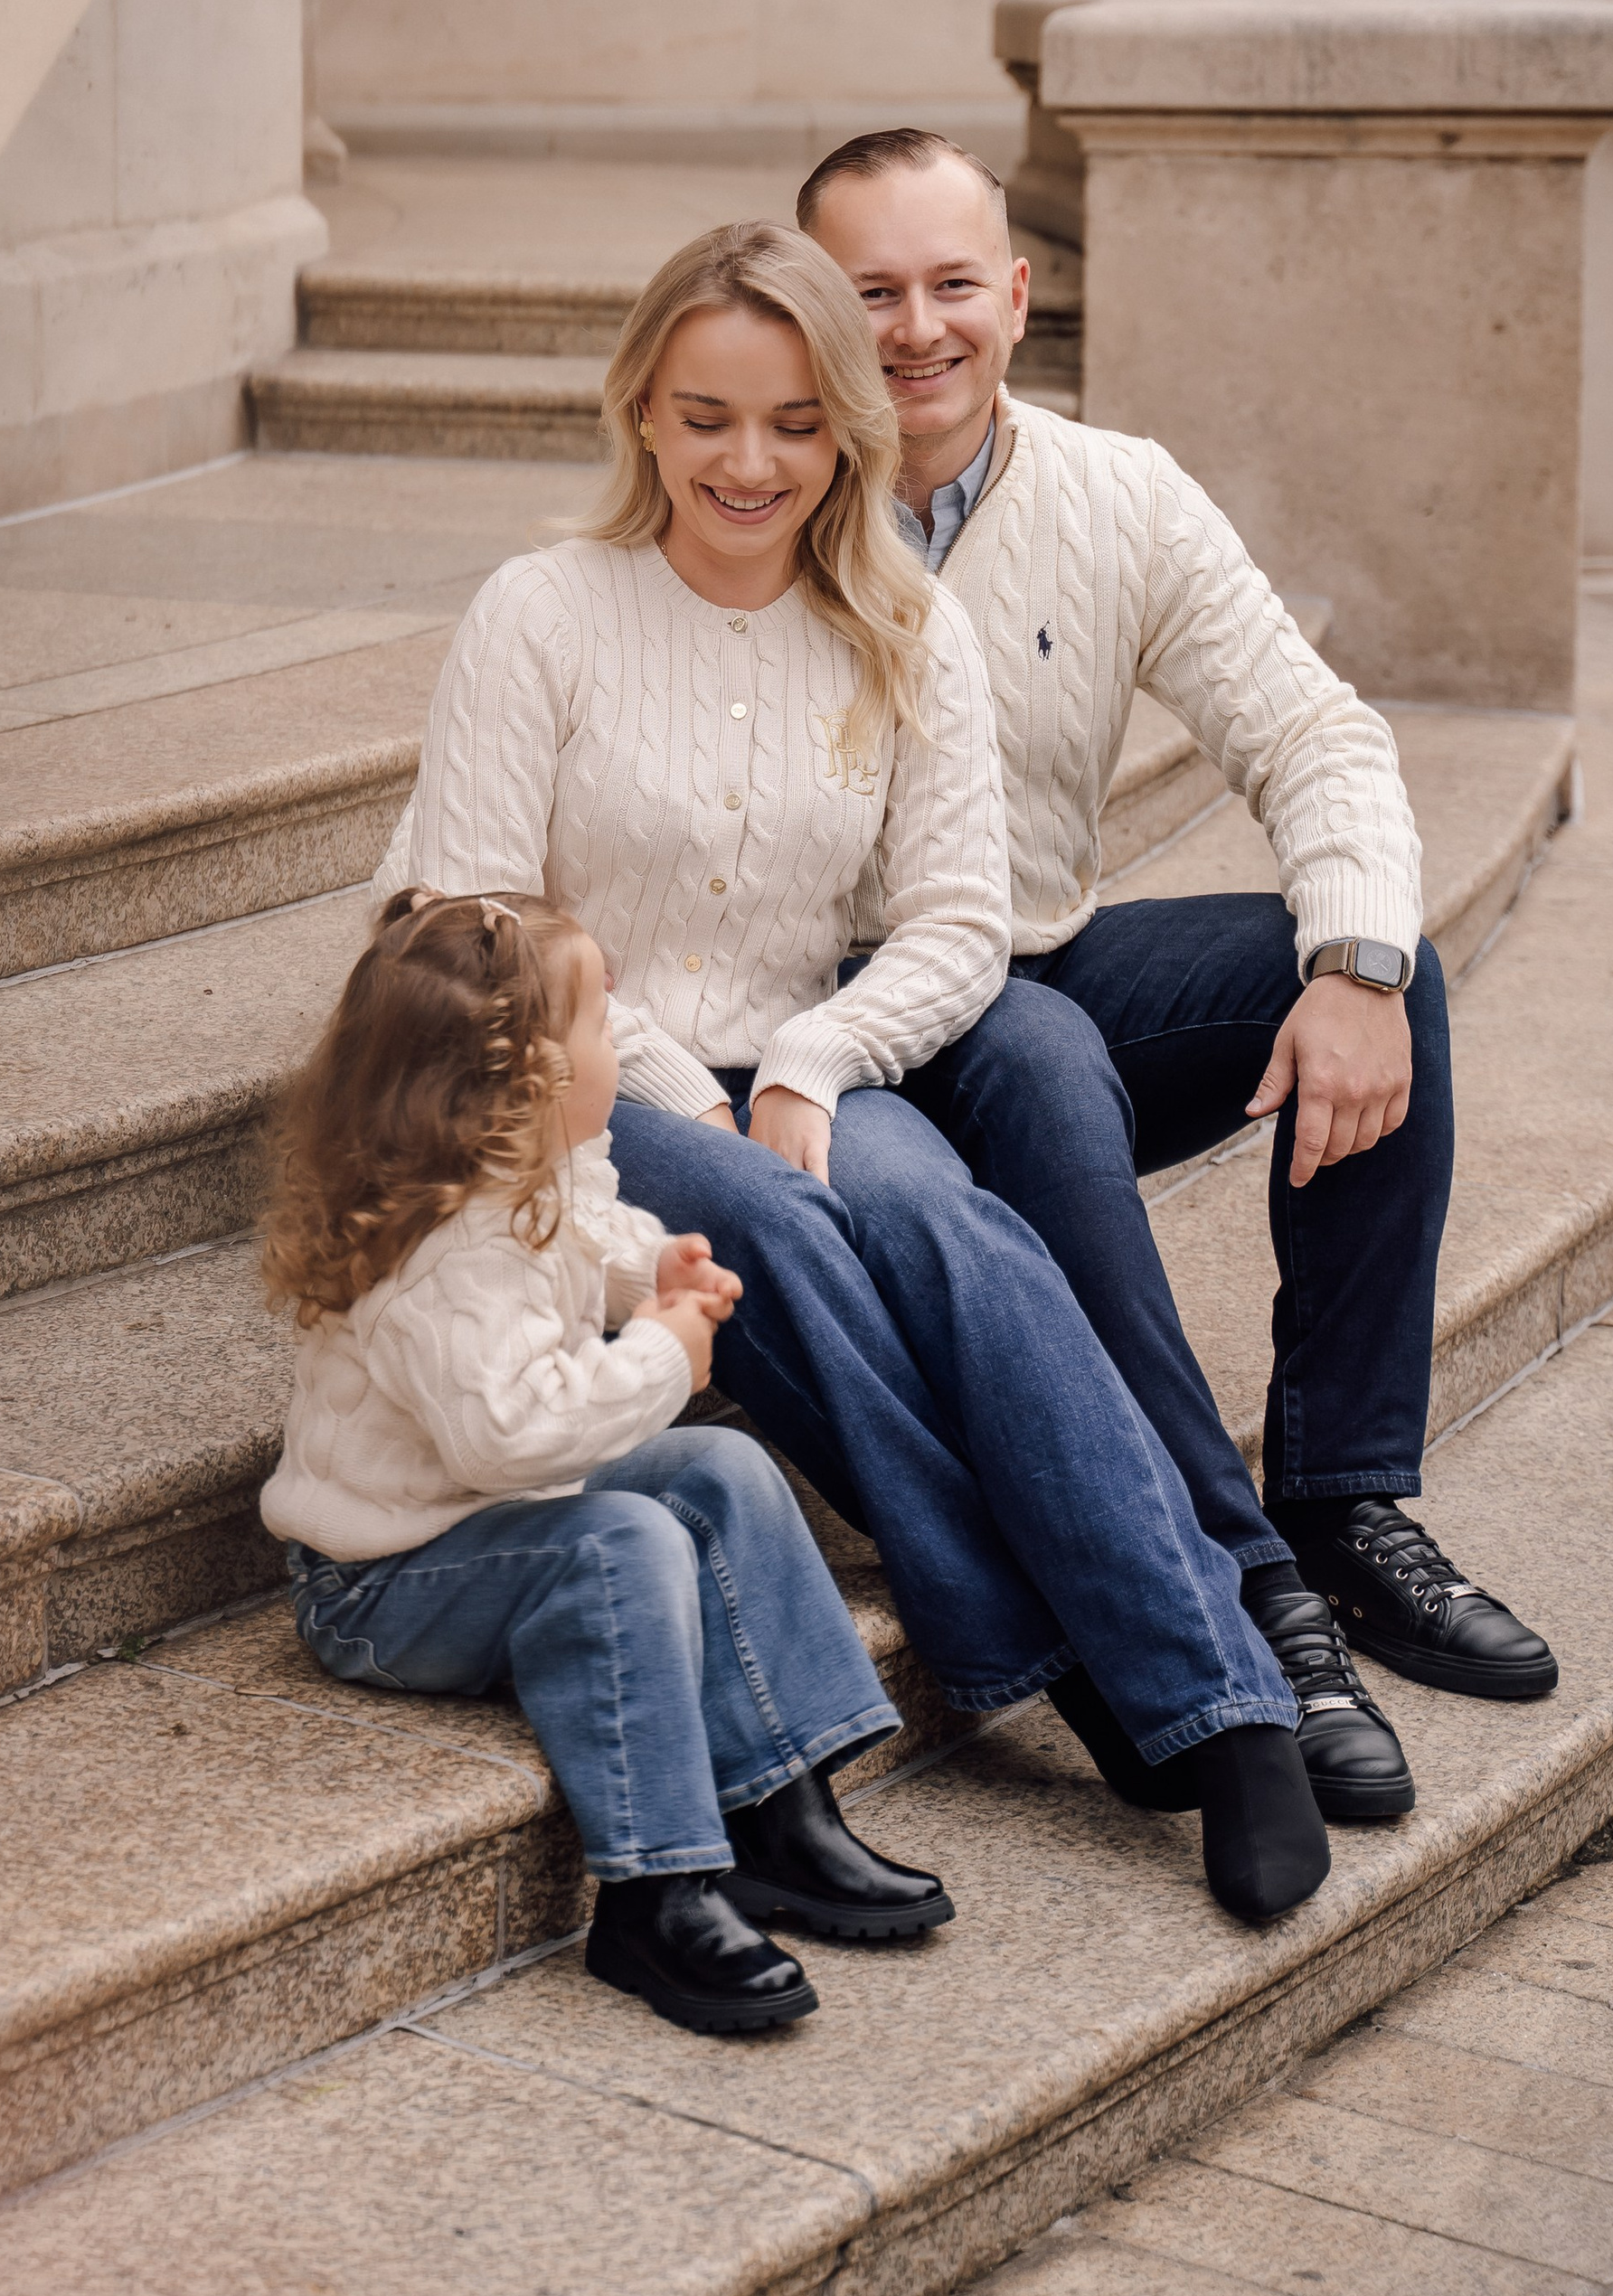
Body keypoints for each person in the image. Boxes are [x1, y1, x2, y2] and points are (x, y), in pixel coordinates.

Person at [374, 219, 1332, 1925]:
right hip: (586, 1084)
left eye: (799, 423)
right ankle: (1125, 1679)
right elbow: (474, 909)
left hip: (815, 1053)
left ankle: (1227, 1710)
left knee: (961, 1236)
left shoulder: (902, 625)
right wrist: (686, 1079)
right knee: (788, 1237)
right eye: (709, 416)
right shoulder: (544, 613)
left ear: (850, 433)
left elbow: (961, 926)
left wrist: (814, 1063)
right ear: (644, 417)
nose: (751, 462)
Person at [795, 124, 1560, 1827]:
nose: (917, 330)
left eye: (949, 286)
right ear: (812, 315)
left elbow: (1312, 730)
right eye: (870, 295)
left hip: (1038, 966)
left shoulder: (1115, 491)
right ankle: (1245, 1598)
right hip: (833, 1029)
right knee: (1045, 1041)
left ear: (1016, 290)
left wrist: (1355, 961)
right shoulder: (767, 499)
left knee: (1387, 968)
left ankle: (1341, 1510)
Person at [259, 883, 953, 2039]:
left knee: (722, 1476)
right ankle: (655, 1888)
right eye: (597, 1025)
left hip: (487, 1517)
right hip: (381, 1583)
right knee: (623, 1542)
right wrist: (665, 1357)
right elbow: (514, 1434)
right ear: (524, 1080)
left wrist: (656, 1275)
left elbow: (585, 1239)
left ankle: (783, 1808)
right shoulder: (441, 1254)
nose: (616, 1040)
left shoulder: (512, 1174)